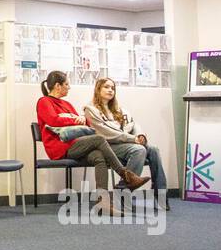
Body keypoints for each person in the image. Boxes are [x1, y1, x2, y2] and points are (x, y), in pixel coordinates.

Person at [35, 70, 148, 215]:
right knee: (99, 139)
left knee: (98, 156)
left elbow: (84, 124)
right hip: (60, 148)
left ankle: (103, 203)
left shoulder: (67, 104)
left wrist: (83, 120)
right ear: (57, 86)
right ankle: (126, 175)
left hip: (75, 144)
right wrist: (74, 120)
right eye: (66, 84)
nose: (69, 87)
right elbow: (53, 120)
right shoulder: (44, 102)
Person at [83, 77, 170, 210]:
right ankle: (123, 193)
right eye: (106, 87)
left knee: (153, 149)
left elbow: (134, 124)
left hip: (126, 144)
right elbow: (106, 133)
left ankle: (160, 194)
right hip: (108, 146)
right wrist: (132, 139)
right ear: (98, 89)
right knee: (139, 150)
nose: (110, 90)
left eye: (113, 88)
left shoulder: (120, 110)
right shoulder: (90, 110)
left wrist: (140, 135)